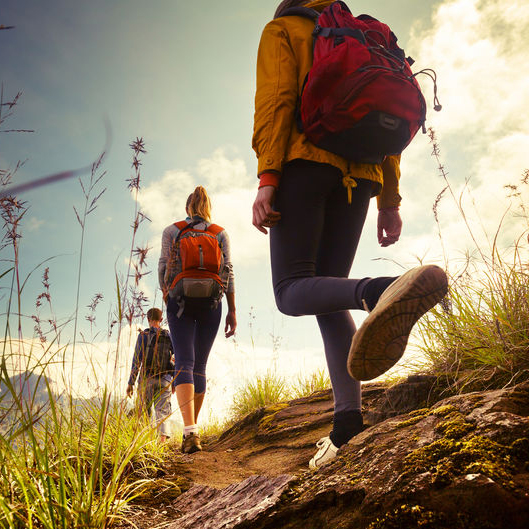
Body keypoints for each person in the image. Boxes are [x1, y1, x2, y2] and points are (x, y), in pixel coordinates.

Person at [252, 0, 447, 468]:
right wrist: (390, 201)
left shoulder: (285, 29)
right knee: (327, 294)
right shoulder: (365, 35)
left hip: (305, 164)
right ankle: (347, 425)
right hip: (363, 176)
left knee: (291, 290)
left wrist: (268, 178)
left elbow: (276, 100)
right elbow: (390, 129)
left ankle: (379, 292)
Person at [159, 186, 237, 454]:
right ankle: (193, 430)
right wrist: (232, 310)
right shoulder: (219, 233)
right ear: (208, 208)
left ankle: (189, 429)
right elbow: (229, 273)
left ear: (187, 208)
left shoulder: (173, 230)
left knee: (184, 362)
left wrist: (167, 296)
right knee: (200, 366)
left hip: (179, 302)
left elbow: (163, 268)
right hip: (212, 304)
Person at [126, 307, 174, 443]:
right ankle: (162, 442)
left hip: (146, 379)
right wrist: (174, 381)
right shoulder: (168, 335)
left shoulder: (143, 336)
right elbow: (176, 357)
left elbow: (137, 361)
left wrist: (131, 383)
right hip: (165, 379)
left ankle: (144, 442)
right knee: (162, 411)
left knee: (143, 411)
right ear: (161, 319)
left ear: (148, 319)